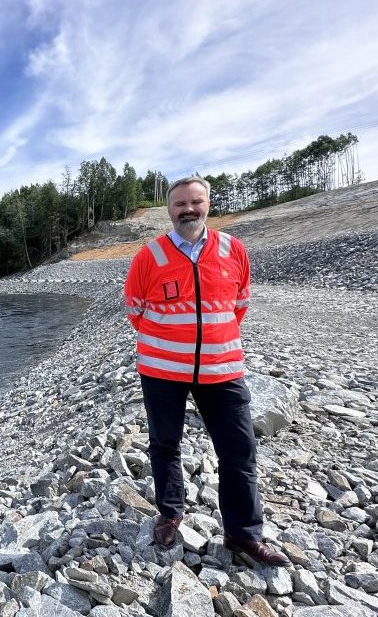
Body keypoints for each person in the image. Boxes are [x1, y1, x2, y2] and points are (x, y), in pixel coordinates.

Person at [122, 175, 288, 567]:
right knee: (165, 445)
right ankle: (170, 513)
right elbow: (135, 310)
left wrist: (212, 339)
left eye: (195, 202)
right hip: (162, 370)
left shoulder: (233, 250)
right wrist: (174, 341)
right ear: (169, 209)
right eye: (180, 204)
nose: (188, 210)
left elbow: (240, 303)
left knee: (240, 451)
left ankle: (243, 534)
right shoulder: (150, 256)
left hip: (221, 369)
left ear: (208, 205)